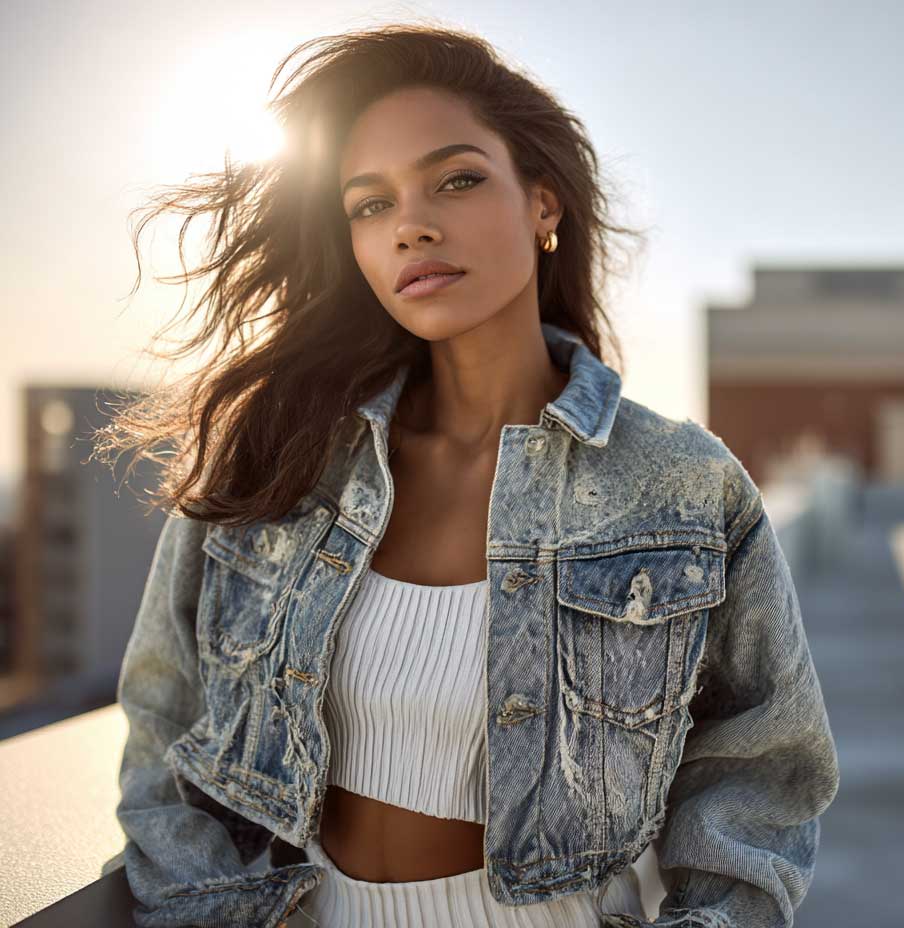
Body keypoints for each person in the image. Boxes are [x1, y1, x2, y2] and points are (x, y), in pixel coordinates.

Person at [96, 21, 840, 928]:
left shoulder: (680, 486)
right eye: (369, 205)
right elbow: (164, 723)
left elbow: (764, 769)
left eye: (457, 179)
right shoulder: (277, 459)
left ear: (544, 205)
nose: (412, 224)